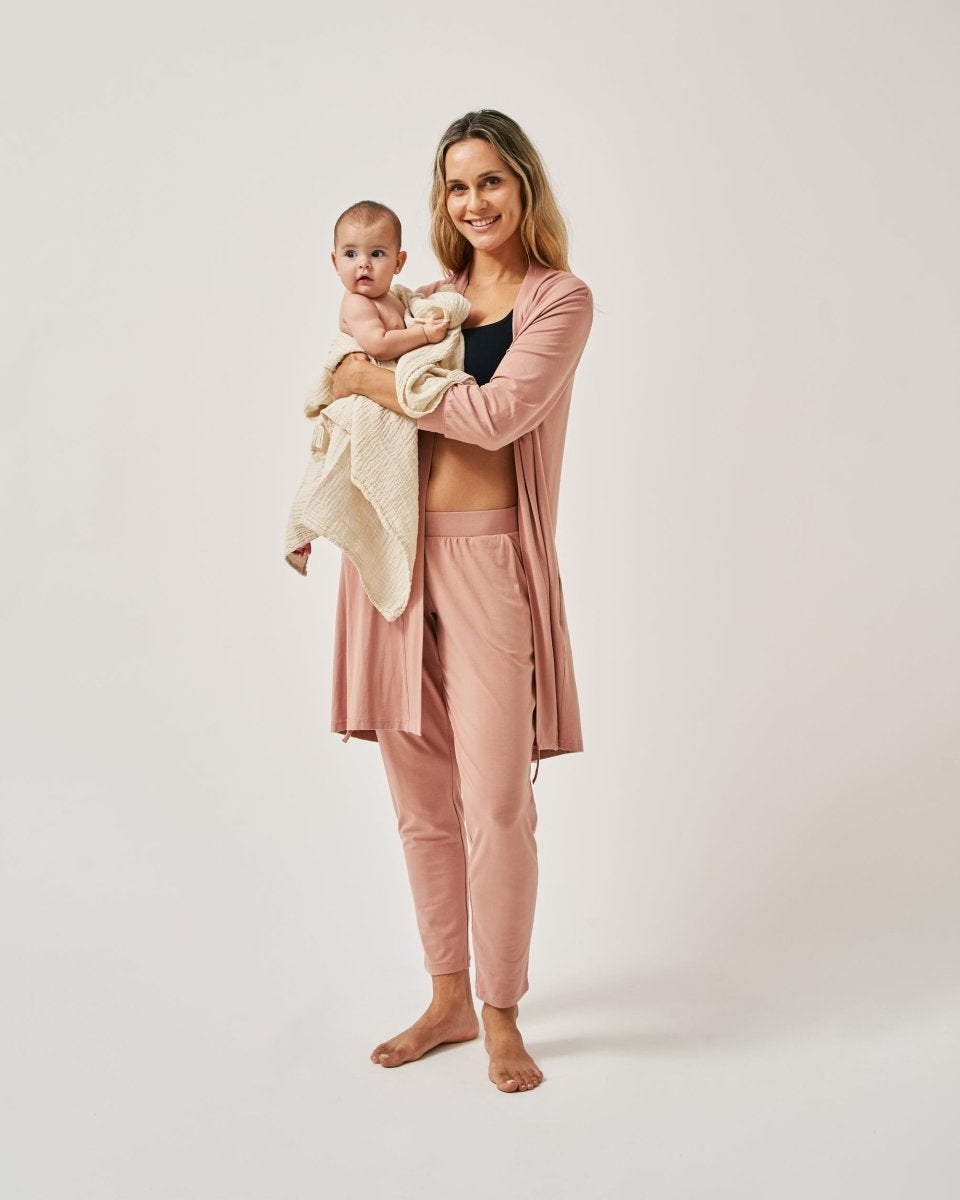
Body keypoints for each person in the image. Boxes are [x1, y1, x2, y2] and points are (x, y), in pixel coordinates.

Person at [328, 110, 594, 1094]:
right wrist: (365, 378)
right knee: (420, 804)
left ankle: (500, 1012)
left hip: (488, 563)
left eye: (490, 180)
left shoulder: (559, 299)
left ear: (523, 185)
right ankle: (445, 996)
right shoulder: (426, 301)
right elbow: (346, 403)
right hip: (392, 562)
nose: (473, 201)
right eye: (455, 186)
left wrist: (372, 379)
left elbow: (495, 416)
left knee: (497, 805)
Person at [288, 201, 449, 569]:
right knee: (331, 463)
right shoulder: (357, 303)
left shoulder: (394, 297)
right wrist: (424, 334)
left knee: (366, 470)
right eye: (351, 254)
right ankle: (303, 526)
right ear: (335, 262)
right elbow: (378, 344)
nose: (363, 264)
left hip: (382, 393)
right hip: (358, 400)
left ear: (399, 262)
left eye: (377, 254)